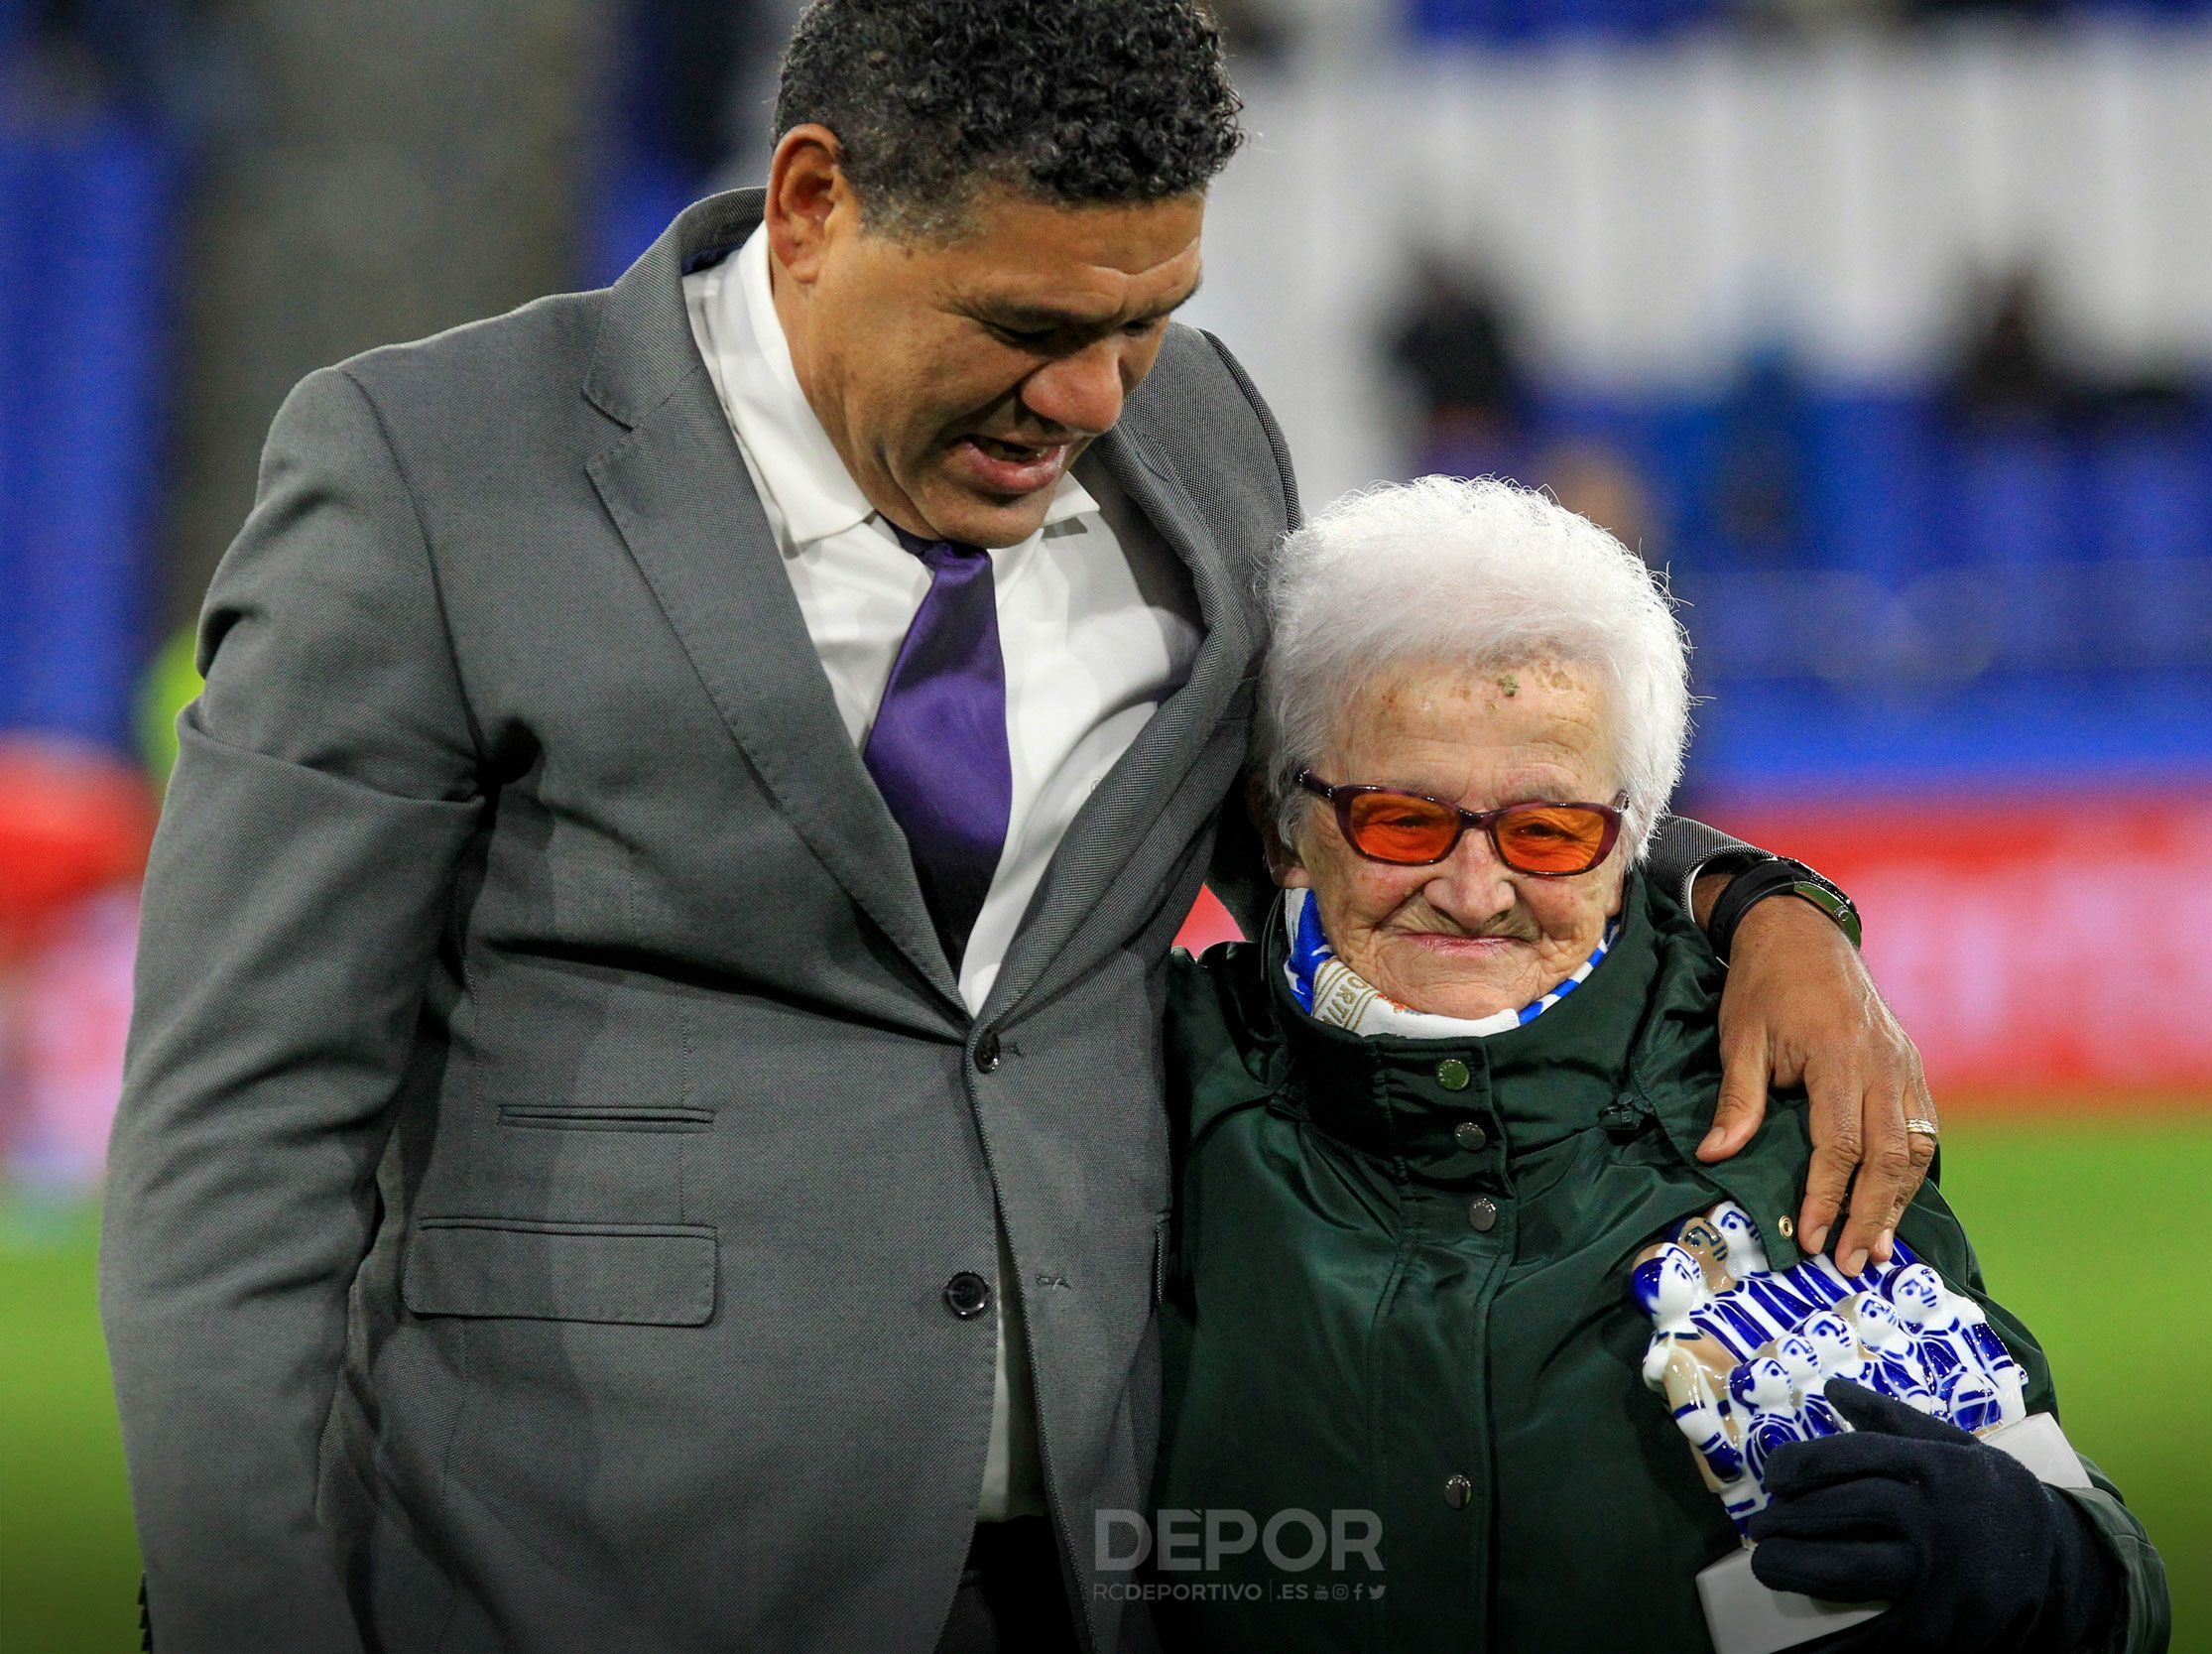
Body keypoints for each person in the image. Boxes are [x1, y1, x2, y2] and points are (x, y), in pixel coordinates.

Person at [100, 5, 1939, 1650]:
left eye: (1148, 322)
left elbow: (1374, 812)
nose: (1089, 398)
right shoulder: (433, 472)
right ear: (812, 204)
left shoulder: (1197, 437)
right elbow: (242, 1122)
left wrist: (1752, 897)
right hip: (583, 1564)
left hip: (1105, 1557)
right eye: (1032, 327)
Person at [1155, 477, 2169, 1652]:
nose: (1476, 890)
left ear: (1629, 838)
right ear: (1282, 821)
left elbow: (2106, 1585)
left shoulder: (1790, 1096)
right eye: (1401, 820)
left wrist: (2045, 1563)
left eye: (1547, 831)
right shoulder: (1147, 1079)